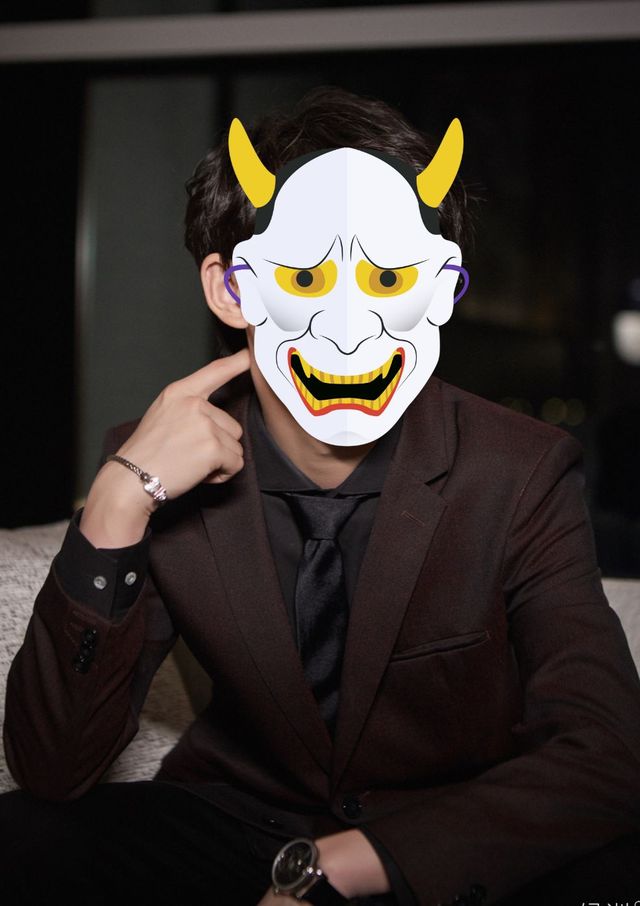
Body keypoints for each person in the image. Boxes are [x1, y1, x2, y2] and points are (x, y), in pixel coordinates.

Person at [2, 87, 640, 906]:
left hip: (438, 839)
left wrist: (347, 870)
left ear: (442, 287)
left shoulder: (519, 470)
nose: (346, 330)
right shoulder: (157, 464)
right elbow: (54, 769)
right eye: (304, 277)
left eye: (389, 278)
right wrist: (119, 499)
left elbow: (605, 751)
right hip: (238, 824)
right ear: (233, 290)